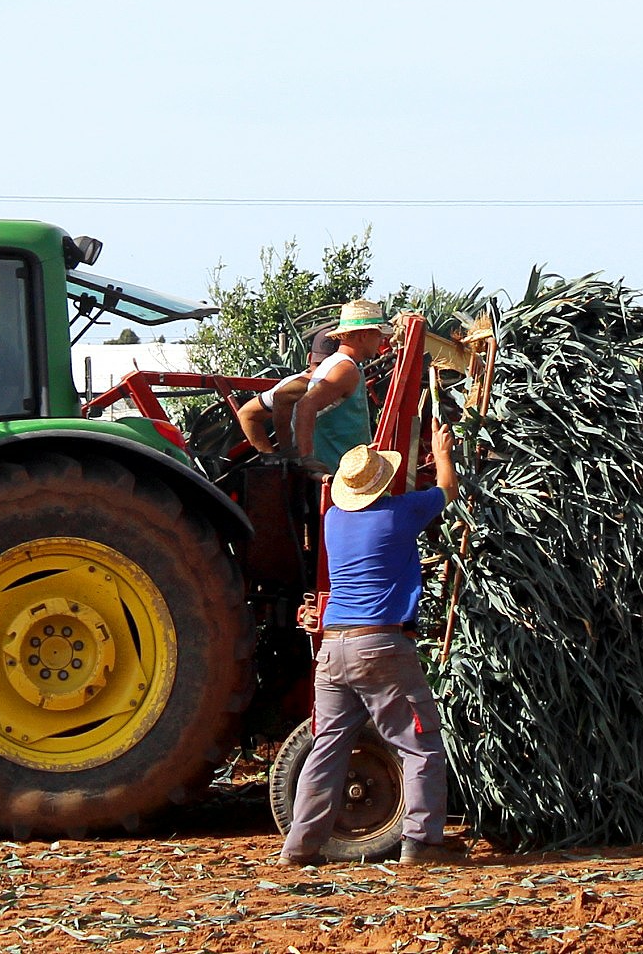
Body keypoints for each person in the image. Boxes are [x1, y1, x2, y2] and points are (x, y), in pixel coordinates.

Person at [280, 428, 462, 867]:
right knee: (420, 743)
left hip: (333, 648)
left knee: (327, 748)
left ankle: (299, 847)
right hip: (380, 646)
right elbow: (448, 490)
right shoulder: (399, 514)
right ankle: (422, 843)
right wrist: (442, 453)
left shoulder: (333, 520)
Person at [294, 300, 391, 476]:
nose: (381, 341)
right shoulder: (346, 370)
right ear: (363, 336)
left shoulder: (337, 364)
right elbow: (305, 405)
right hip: (341, 475)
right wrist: (307, 458)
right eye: (378, 335)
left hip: (343, 473)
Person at [239, 327, 336, 456]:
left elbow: (247, 414)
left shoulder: (293, 383)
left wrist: (277, 456)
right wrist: (280, 455)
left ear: (309, 358)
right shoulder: (294, 384)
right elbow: (247, 414)